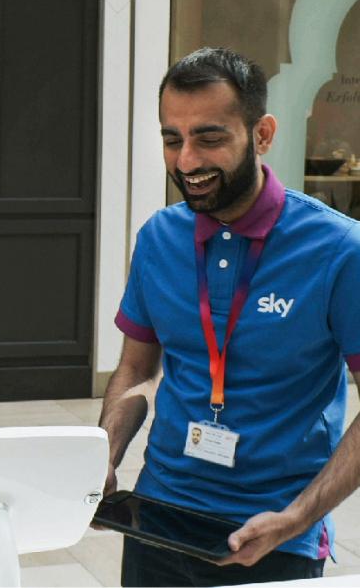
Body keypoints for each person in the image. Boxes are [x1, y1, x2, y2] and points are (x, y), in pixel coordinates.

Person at [99, 47, 360, 586]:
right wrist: (104, 451)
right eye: (173, 139)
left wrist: (296, 519)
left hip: (276, 533)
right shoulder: (158, 238)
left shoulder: (339, 250)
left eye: (210, 138)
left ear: (262, 135)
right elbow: (136, 370)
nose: (187, 162)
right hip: (160, 516)